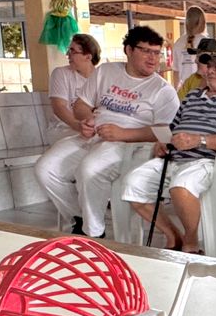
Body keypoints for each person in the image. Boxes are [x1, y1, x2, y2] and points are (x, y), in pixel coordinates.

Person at [33, 26, 178, 235]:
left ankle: (93, 233)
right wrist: (86, 120)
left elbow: (166, 133)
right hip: (92, 136)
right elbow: (80, 106)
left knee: (90, 169)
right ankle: (80, 218)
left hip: (128, 145)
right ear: (129, 50)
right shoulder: (106, 71)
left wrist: (124, 134)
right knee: (45, 168)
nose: (153, 58)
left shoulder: (163, 90)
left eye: (157, 53)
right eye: (146, 51)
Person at [122, 46, 216, 253]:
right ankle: (173, 235)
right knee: (132, 185)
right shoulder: (192, 97)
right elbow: (173, 129)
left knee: (181, 187)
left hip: (210, 162)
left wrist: (200, 141)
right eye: (209, 66)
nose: (210, 71)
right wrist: (163, 142)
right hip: (174, 158)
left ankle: (191, 243)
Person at [48, 32, 99, 138]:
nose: (67, 54)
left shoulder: (101, 77)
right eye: (68, 50)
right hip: (65, 128)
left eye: (72, 51)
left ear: (88, 57)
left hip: (95, 129)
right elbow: (59, 107)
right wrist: (78, 126)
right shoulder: (61, 73)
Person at [170, 7, 208, 87]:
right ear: (202, 22)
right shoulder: (207, 42)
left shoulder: (178, 43)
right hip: (203, 88)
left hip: (184, 88)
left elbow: (176, 71)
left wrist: (176, 90)